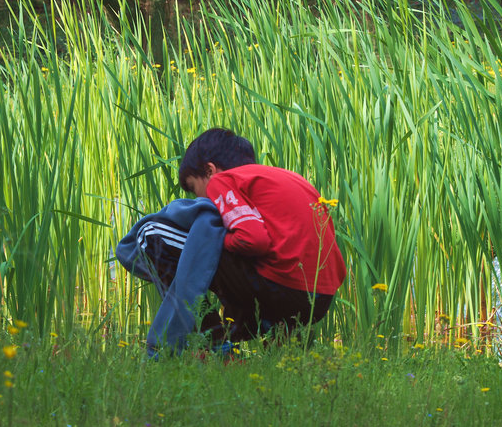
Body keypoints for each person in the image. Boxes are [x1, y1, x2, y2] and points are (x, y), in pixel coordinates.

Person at [116, 128, 346, 356]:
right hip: (319, 299)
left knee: (151, 234)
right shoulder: (287, 178)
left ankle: (213, 344)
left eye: (195, 189)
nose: (199, 199)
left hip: (281, 289)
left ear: (209, 170)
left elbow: (254, 240)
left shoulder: (223, 180)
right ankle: (274, 341)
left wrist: (210, 240)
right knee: (227, 268)